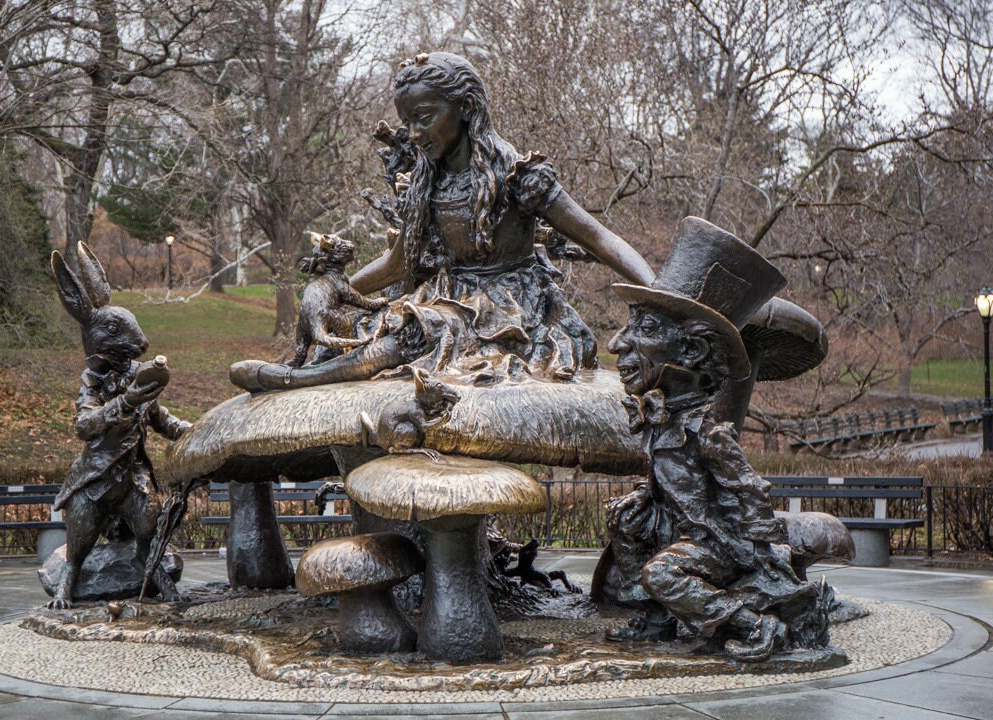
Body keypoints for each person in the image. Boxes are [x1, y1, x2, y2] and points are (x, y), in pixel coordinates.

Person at [231, 51, 654, 392]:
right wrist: (335, 291)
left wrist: (660, 293)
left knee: (420, 333)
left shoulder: (517, 175)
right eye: (406, 122)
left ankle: (298, 380)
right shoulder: (427, 179)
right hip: (445, 294)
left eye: (424, 117)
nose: (413, 133)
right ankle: (309, 369)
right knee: (367, 325)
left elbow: (598, 238)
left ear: (465, 108)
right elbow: (398, 264)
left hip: (508, 307)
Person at [601, 217, 832, 661]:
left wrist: (765, 557)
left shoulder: (706, 431)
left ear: (692, 351)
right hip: (678, 526)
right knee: (625, 519)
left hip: (718, 544)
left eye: (644, 329)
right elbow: (675, 481)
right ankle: (655, 619)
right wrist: (644, 499)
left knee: (662, 574)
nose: (617, 343)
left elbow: (748, 488)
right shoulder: (661, 420)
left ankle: (752, 623)